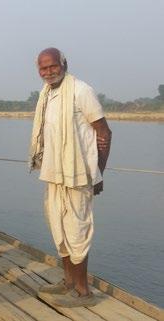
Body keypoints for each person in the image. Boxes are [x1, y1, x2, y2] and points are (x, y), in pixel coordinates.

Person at [30, 48, 111, 307]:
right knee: (59, 228)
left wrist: (98, 173)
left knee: (77, 231)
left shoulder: (81, 90)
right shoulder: (47, 94)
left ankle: (83, 291)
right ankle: (67, 283)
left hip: (78, 175)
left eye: (52, 66)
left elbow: (104, 132)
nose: (48, 71)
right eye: (43, 68)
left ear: (64, 64)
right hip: (54, 173)